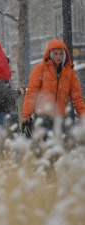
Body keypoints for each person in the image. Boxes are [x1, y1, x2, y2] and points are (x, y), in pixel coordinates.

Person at [22, 39, 85, 181]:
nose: (58, 56)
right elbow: (32, 92)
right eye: (55, 53)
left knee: (58, 147)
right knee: (48, 145)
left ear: (64, 55)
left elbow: (77, 97)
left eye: (60, 54)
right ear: (50, 54)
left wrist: (83, 116)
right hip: (42, 116)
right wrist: (26, 113)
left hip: (59, 117)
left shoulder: (69, 72)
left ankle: (46, 164)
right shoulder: (40, 69)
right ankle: (50, 175)